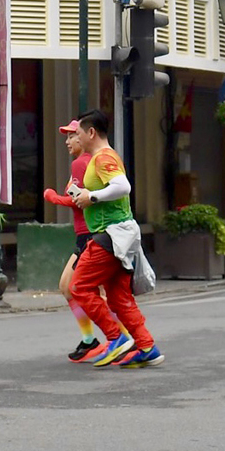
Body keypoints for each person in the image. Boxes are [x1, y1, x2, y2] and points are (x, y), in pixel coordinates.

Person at [69, 109, 163, 368]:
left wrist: (91, 196)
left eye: (78, 133)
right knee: (119, 298)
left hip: (110, 235)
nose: (76, 138)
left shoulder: (102, 157)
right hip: (118, 236)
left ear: (91, 132)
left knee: (79, 287)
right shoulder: (103, 157)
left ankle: (116, 338)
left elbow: (123, 186)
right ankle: (146, 347)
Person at [42, 119, 127, 364]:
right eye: (68, 137)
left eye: (73, 136)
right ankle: (98, 338)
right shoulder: (88, 162)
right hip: (91, 234)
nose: (69, 141)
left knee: (75, 287)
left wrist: (53, 197)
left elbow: (80, 200)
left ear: (86, 135)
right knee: (77, 288)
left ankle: (120, 337)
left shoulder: (82, 163)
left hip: (90, 235)